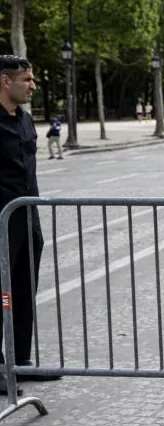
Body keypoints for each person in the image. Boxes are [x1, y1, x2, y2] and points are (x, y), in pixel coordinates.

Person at [0, 55, 60, 391]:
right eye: (27, 79)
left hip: (26, 219)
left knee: (23, 291)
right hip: (0, 222)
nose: (33, 86)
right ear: (5, 81)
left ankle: (19, 362)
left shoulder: (24, 119)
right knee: (0, 296)